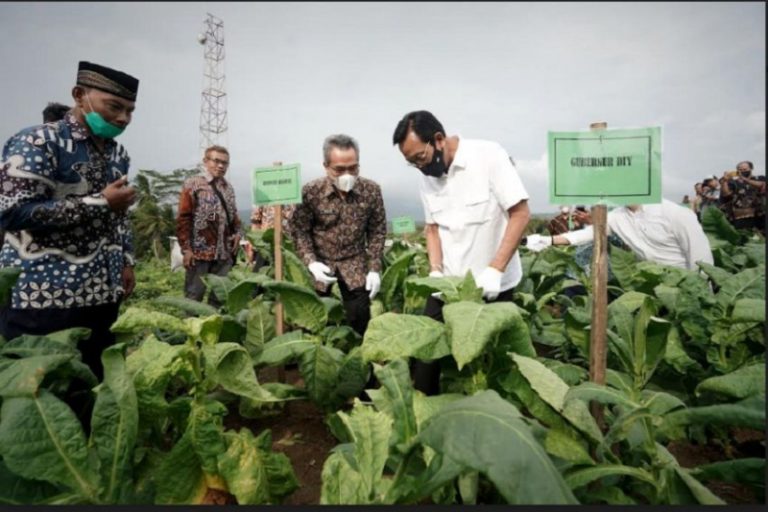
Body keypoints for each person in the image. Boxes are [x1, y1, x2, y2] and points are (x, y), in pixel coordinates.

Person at [0, 61, 139, 380]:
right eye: (114, 107)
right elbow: (11, 212)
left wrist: (126, 260)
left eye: (130, 111)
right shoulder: (38, 142)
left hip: (102, 295)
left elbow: (118, 214)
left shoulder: (117, 154)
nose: (123, 118)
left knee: (94, 388)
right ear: (79, 95)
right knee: (43, 394)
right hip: (42, 297)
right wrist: (99, 202)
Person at [392, 110, 531, 395]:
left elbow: (520, 213)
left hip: (493, 284)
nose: (420, 167)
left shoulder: (488, 155)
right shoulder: (426, 177)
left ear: (439, 139)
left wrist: (495, 269)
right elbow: (432, 228)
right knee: (426, 355)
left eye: (420, 157)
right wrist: (435, 270)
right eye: (411, 163)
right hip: (450, 286)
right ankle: (425, 415)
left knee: (492, 360)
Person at [289, 134, 386, 336]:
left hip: (355, 264)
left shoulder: (372, 191)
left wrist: (375, 268)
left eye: (353, 168)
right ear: (326, 166)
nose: (347, 174)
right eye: (340, 169)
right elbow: (300, 230)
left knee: (360, 321)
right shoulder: (311, 192)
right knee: (314, 322)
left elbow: (377, 230)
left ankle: (360, 363)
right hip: (321, 266)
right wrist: (310, 261)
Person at [526, 199, 714, 271]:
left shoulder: (674, 213)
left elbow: (702, 259)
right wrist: (546, 240)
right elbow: (587, 234)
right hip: (652, 280)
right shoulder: (618, 216)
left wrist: (700, 292)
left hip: (684, 280)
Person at [176, 145, 242, 306]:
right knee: (194, 297)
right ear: (206, 161)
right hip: (199, 253)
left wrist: (238, 233)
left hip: (223, 253)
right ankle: (191, 329)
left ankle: (216, 329)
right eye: (216, 161)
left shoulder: (228, 188)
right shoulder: (193, 184)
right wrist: (187, 249)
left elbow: (233, 216)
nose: (221, 166)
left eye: (225, 163)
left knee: (219, 298)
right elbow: (184, 218)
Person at [720, 161, 766, 234]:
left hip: (760, 216)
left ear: (751, 169)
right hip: (741, 218)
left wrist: (745, 179)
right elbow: (726, 195)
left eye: (744, 169)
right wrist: (724, 182)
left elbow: (762, 185)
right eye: (740, 170)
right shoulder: (733, 182)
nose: (742, 172)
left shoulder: (760, 178)